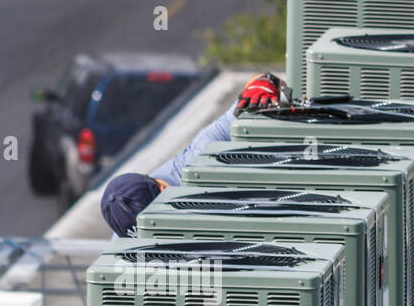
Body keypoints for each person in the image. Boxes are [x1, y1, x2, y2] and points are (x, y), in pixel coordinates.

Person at [99, 72, 283, 237]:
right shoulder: (128, 227)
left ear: (163, 190)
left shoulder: (202, 156)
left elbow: (257, 88)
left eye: (155, 226)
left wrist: (265, 84)